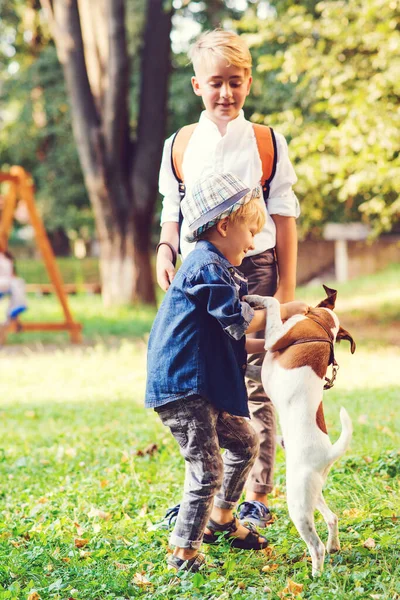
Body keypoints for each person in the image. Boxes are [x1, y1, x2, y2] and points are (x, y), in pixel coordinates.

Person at [156, 29, 300, 527]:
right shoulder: (180, 143)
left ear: (249, 83)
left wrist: (285, 289)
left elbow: (284, 216)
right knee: (203, 380)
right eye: (216, 82)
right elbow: (171, 208)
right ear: (197, 84)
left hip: (256, 267)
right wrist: (165, 249)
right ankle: (206, 491)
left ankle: (256, 496)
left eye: (235, 82)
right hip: (200, 275)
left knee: (257, 384)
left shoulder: (266, 141)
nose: (226, 93)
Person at [146, 172, 308, 571]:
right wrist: (280, 310)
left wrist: (278, 344)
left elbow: (232, 338)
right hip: (184, 388)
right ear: (224, 225)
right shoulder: (204, 265)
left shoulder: (217, 267)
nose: (253, 243)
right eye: (250, 232)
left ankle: (220, 519)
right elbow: (238, 317)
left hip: (201, 383)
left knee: (245, 441)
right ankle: (183, 552)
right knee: (206, 468)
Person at [0, 249, 27, 343]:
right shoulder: (6, 258)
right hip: (8, 289)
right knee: (4, 316)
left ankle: (2, 340)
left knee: (4, 316)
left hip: (6, 289)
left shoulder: (4, 259)